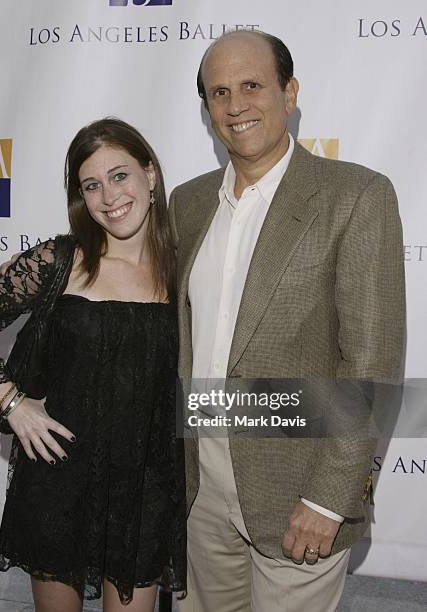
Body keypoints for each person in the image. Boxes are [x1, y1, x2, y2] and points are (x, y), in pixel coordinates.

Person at [168, 30, 405, 611]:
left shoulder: (355, 196)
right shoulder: (188, 202)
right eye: (219, 93)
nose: (235, 105)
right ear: (207, 111)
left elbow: (371, 364)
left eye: (252, 85)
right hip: (200, 484)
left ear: (289, 92)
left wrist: (329, 499)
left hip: (299, 490)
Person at [0, 118, 186, 612]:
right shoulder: (60, 259)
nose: (108, 196)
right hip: (59, 481)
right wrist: (13, 404)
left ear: (151, 175)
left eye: (120, 176)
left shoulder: (184, 267)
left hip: (143, 489)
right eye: (91, 185)